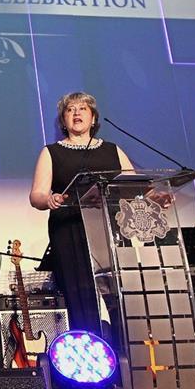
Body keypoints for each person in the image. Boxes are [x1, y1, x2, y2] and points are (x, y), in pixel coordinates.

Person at [29, 92, 132, 333]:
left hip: (109, 229)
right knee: (81, 298)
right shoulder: (52, 152)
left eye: (82, 108)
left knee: (120, 297)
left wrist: (154, 197)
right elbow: (36, 196)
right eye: (70, 110)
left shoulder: (112, 150)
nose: (76, 113)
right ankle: (89, 355)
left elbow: (133, 186)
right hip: (70, 230)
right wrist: (50, 199)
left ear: (93, 118)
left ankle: (127, 353)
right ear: (63, 122)